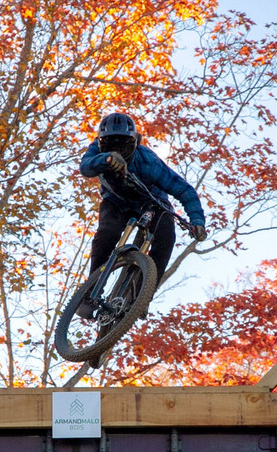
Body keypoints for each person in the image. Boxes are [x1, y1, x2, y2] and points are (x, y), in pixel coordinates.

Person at [78, 112, 207, 318]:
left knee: (166, 238)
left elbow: (184, 190)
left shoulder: (148, 162)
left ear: (135, 144)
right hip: (116, 202)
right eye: (111, 146)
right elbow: (85, 167)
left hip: (152, 202)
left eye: (124, 146)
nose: (118, 150)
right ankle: (89, 292)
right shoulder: (97, 150)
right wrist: (107, 158)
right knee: (106, 234)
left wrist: (197, 221)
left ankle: (142, 296)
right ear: (101, 144)